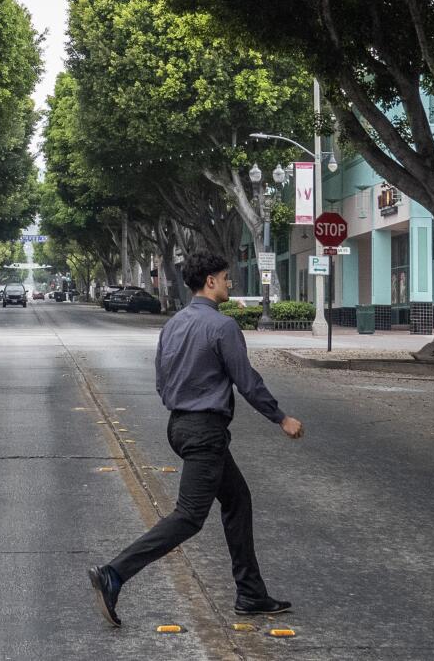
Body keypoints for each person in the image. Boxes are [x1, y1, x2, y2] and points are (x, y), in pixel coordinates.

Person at [87, 252, 303, 628]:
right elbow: (247, 380)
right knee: (189, 517)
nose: (229, 283)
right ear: (210, 282)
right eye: (225, 277)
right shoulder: (222, 327)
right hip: (205, 432)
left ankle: (250, 592)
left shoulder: (173, 326)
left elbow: (161, 380)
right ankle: (114, 573)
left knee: (237, 500)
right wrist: (281, 417)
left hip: (180, 425)